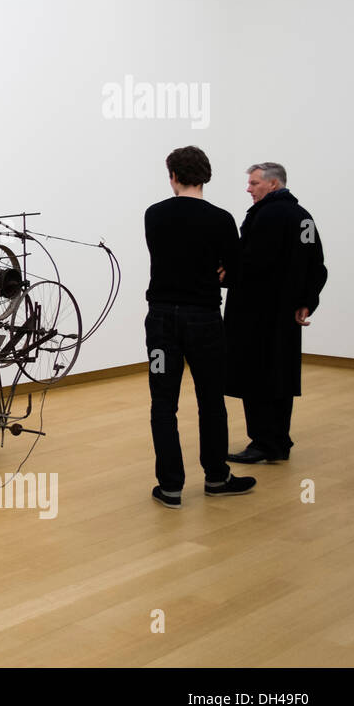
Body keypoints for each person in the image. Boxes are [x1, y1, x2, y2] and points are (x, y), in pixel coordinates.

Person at [144, 146, 255, 507]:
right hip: (205, 318)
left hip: (162, 319)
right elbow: (236, 271)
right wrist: (220, 272)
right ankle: (217, 477)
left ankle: (171, 486)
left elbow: (165, 256)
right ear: (205, 176)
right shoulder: (221, 220)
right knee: (211, 400)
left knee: (163, 403)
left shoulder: (154, 215)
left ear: (172, 176)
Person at [224, 163, 327, 463]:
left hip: (254, 314)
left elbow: (251, 264)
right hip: (285, 315)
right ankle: (278, 440)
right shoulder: (302, 217)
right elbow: (316, 263)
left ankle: (262, 443)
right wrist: (307, 301)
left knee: (254, 375)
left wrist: (224, 273)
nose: (248, 188)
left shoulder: (265, 216)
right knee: (279, 376)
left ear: (272, 184)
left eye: (254, 183)